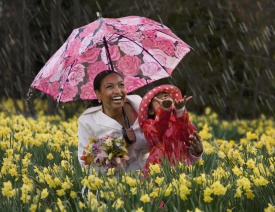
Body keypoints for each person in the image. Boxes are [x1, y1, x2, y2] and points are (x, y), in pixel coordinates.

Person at [78, 70, 149, 173]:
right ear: (98, 94)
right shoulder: (88, 121)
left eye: (121, 85)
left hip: (147, 177)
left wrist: (163, 112)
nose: (117, 91)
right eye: (109, 87)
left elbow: (157, 139)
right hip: (113, 183)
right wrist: (121, 144)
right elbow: (86, 164)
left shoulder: (140, 105)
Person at [138, 84, 203, 171]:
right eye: (158, 100)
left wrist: (180, 111)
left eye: (166, 96)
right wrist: (164, 110)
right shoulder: (148, 125)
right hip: (158, 171)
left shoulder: (179, 120)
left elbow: (189, 136)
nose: (164, 99)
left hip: (181, 168)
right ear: (150, 111)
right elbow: (155, 135)